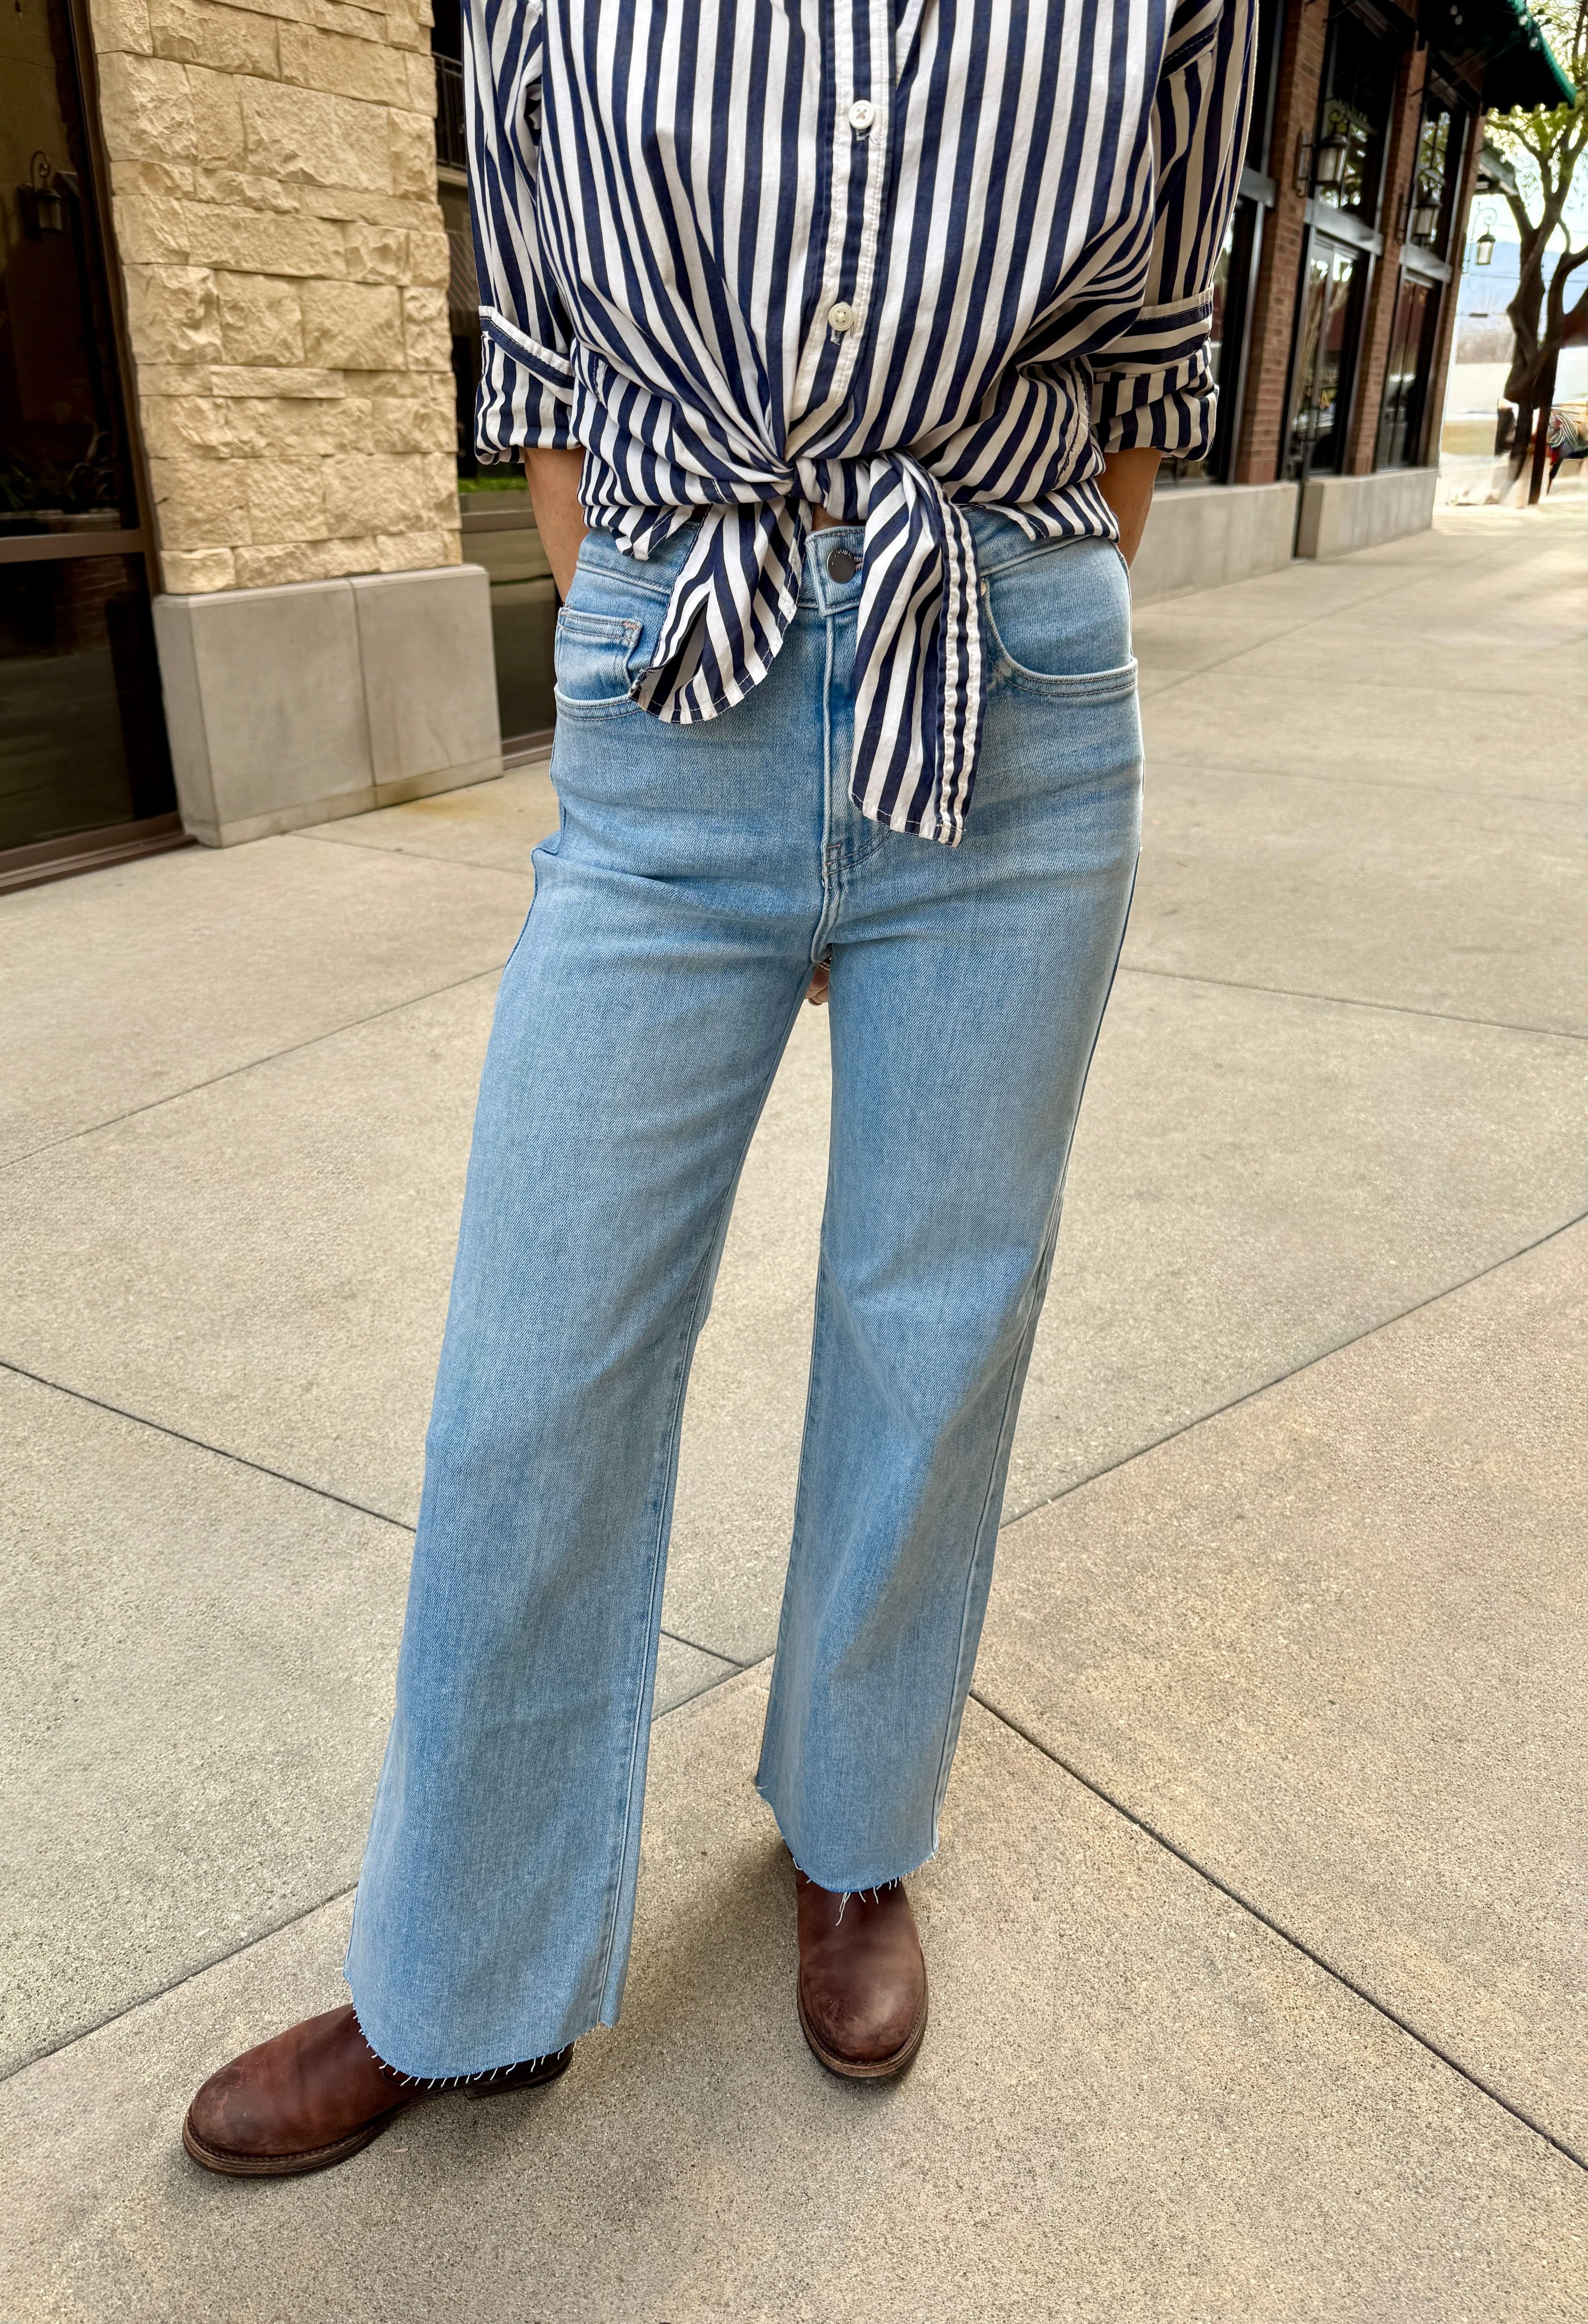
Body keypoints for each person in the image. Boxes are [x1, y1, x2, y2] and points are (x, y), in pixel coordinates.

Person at [182, 0, 1254, 2176]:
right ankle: (460, 1973)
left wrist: (1013, 618)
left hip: (1014, 666)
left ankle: (856, 1832)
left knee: (933, 1318)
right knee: (535, 1363)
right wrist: (642, 637)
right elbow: (553, 359)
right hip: (686, 661)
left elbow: (1150, 366)